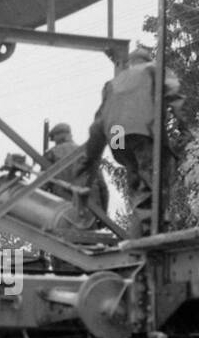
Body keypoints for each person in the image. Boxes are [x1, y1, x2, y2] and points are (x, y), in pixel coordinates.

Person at [79, 44, 186, 240]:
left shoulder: (113, 83)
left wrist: (90, 158)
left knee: (137, 183)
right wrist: (186, 126)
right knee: (155, 184)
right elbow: (175, 95)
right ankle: (153, 232)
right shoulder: (155, 69)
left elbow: (98, 124)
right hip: (142, 131)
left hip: (118, 138)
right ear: (148, 59)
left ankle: (140, 230)